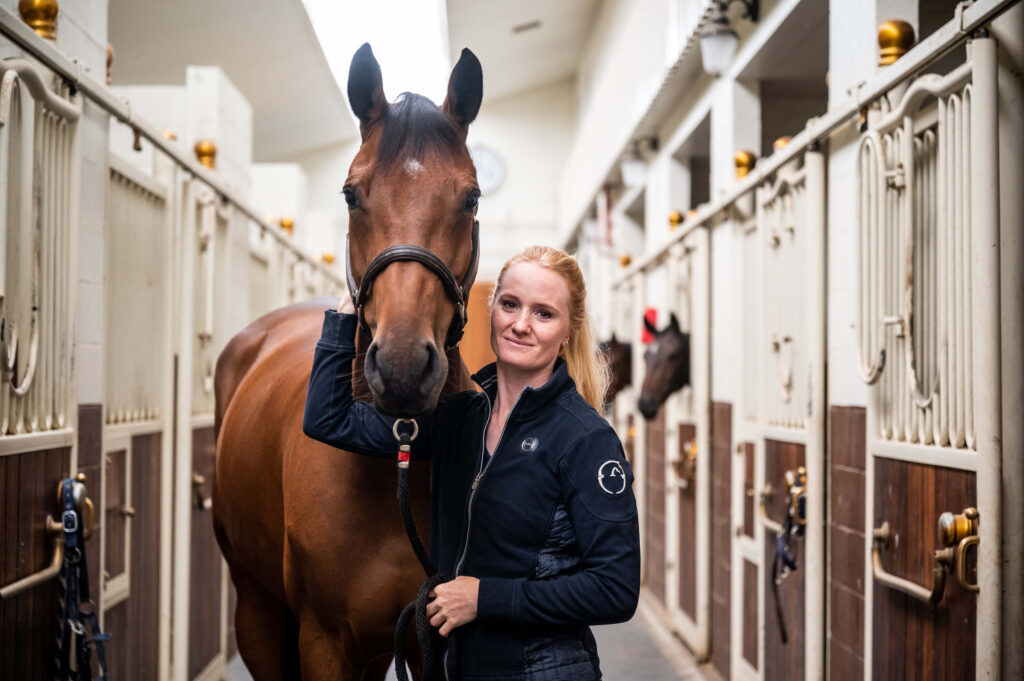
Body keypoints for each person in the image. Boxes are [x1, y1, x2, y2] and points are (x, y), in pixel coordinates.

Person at [303, 245, 641, 681]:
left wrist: (484, 599)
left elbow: (615, 590)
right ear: (490, 309)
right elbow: (328, 420)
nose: (520, 324)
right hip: (456, 667)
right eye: (510, 304)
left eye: (543, 314)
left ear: (568, 331)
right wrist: (349, 311)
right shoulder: (459, 419)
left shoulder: (585, 439)